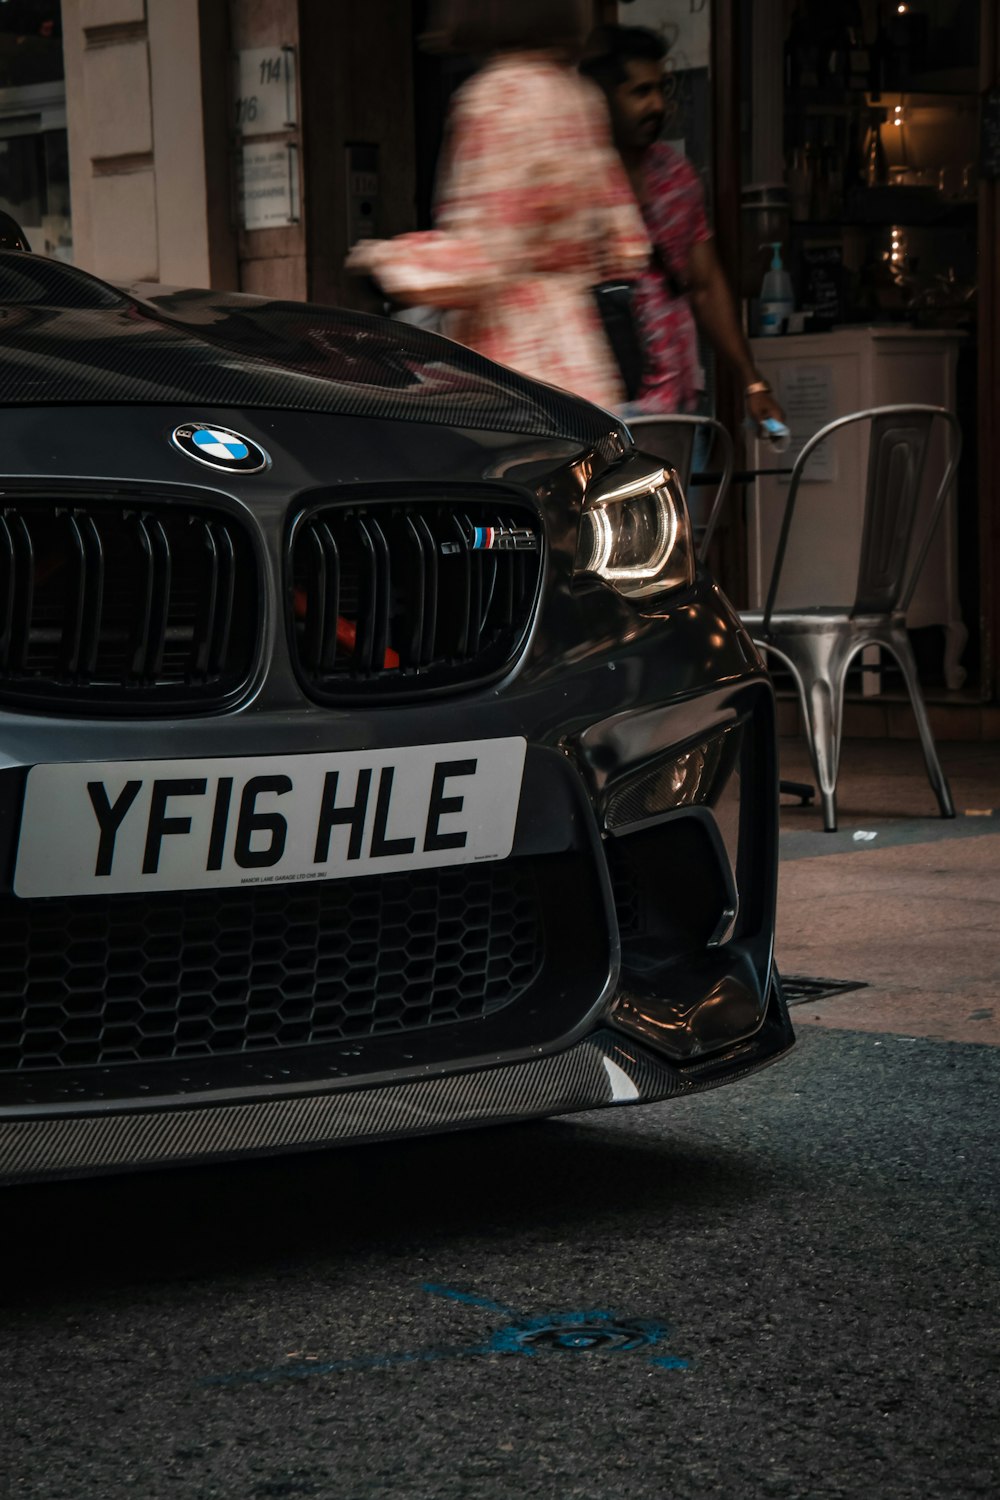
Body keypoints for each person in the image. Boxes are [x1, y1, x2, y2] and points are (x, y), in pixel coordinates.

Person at [347, 0, 649, 409]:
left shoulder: (495, 98)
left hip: (510, 364)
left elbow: (481, 261)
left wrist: (383, 260)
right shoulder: (580, 98)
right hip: (584, 359)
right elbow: (629, 246)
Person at [580, 24, 785, 429]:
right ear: (602, 98)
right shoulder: (575, 183)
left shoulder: (676, 177)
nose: (657, 105)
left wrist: (752, 381)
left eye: (660, 90)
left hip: (676, 405)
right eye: (640, 92)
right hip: (601, 410)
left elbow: (706, 285)